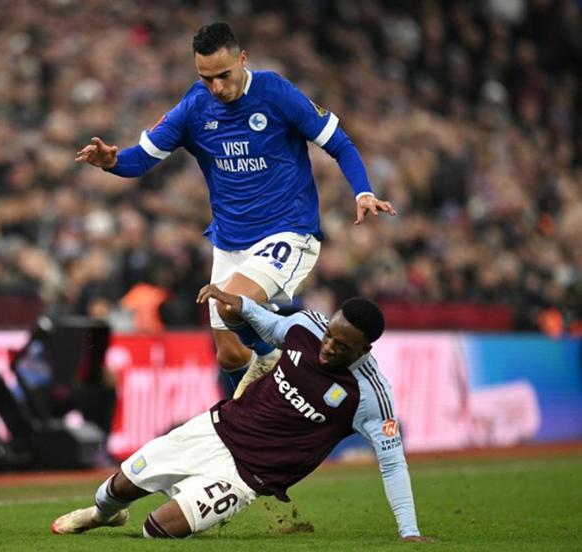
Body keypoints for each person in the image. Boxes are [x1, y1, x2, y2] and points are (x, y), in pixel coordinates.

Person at [75, 22, 396, 391]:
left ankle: (285, 362)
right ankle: (264, 425)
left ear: (243, 59)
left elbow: (339, 142)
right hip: (229, 242)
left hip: (288, 231)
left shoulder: (275, 93)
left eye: (224, 75)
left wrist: (363, 192)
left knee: (231, 305)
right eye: (206, 78)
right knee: (228, 354)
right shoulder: (195, 107)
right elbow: (142, 160)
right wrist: (111, 162)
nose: (217, 87)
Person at [50, 285, 431, 542]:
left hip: (247, 474)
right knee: (116, 489)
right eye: (330, 334)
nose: (328, 347)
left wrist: (409, 530)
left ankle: (192, 508)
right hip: (217, 428)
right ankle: (103, 516)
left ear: (365, 349)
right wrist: (239, 302)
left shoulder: (369, 394)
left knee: (157, 530)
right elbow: (273, 324)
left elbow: (393, 463)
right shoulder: (307, 326)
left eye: (342, 346)